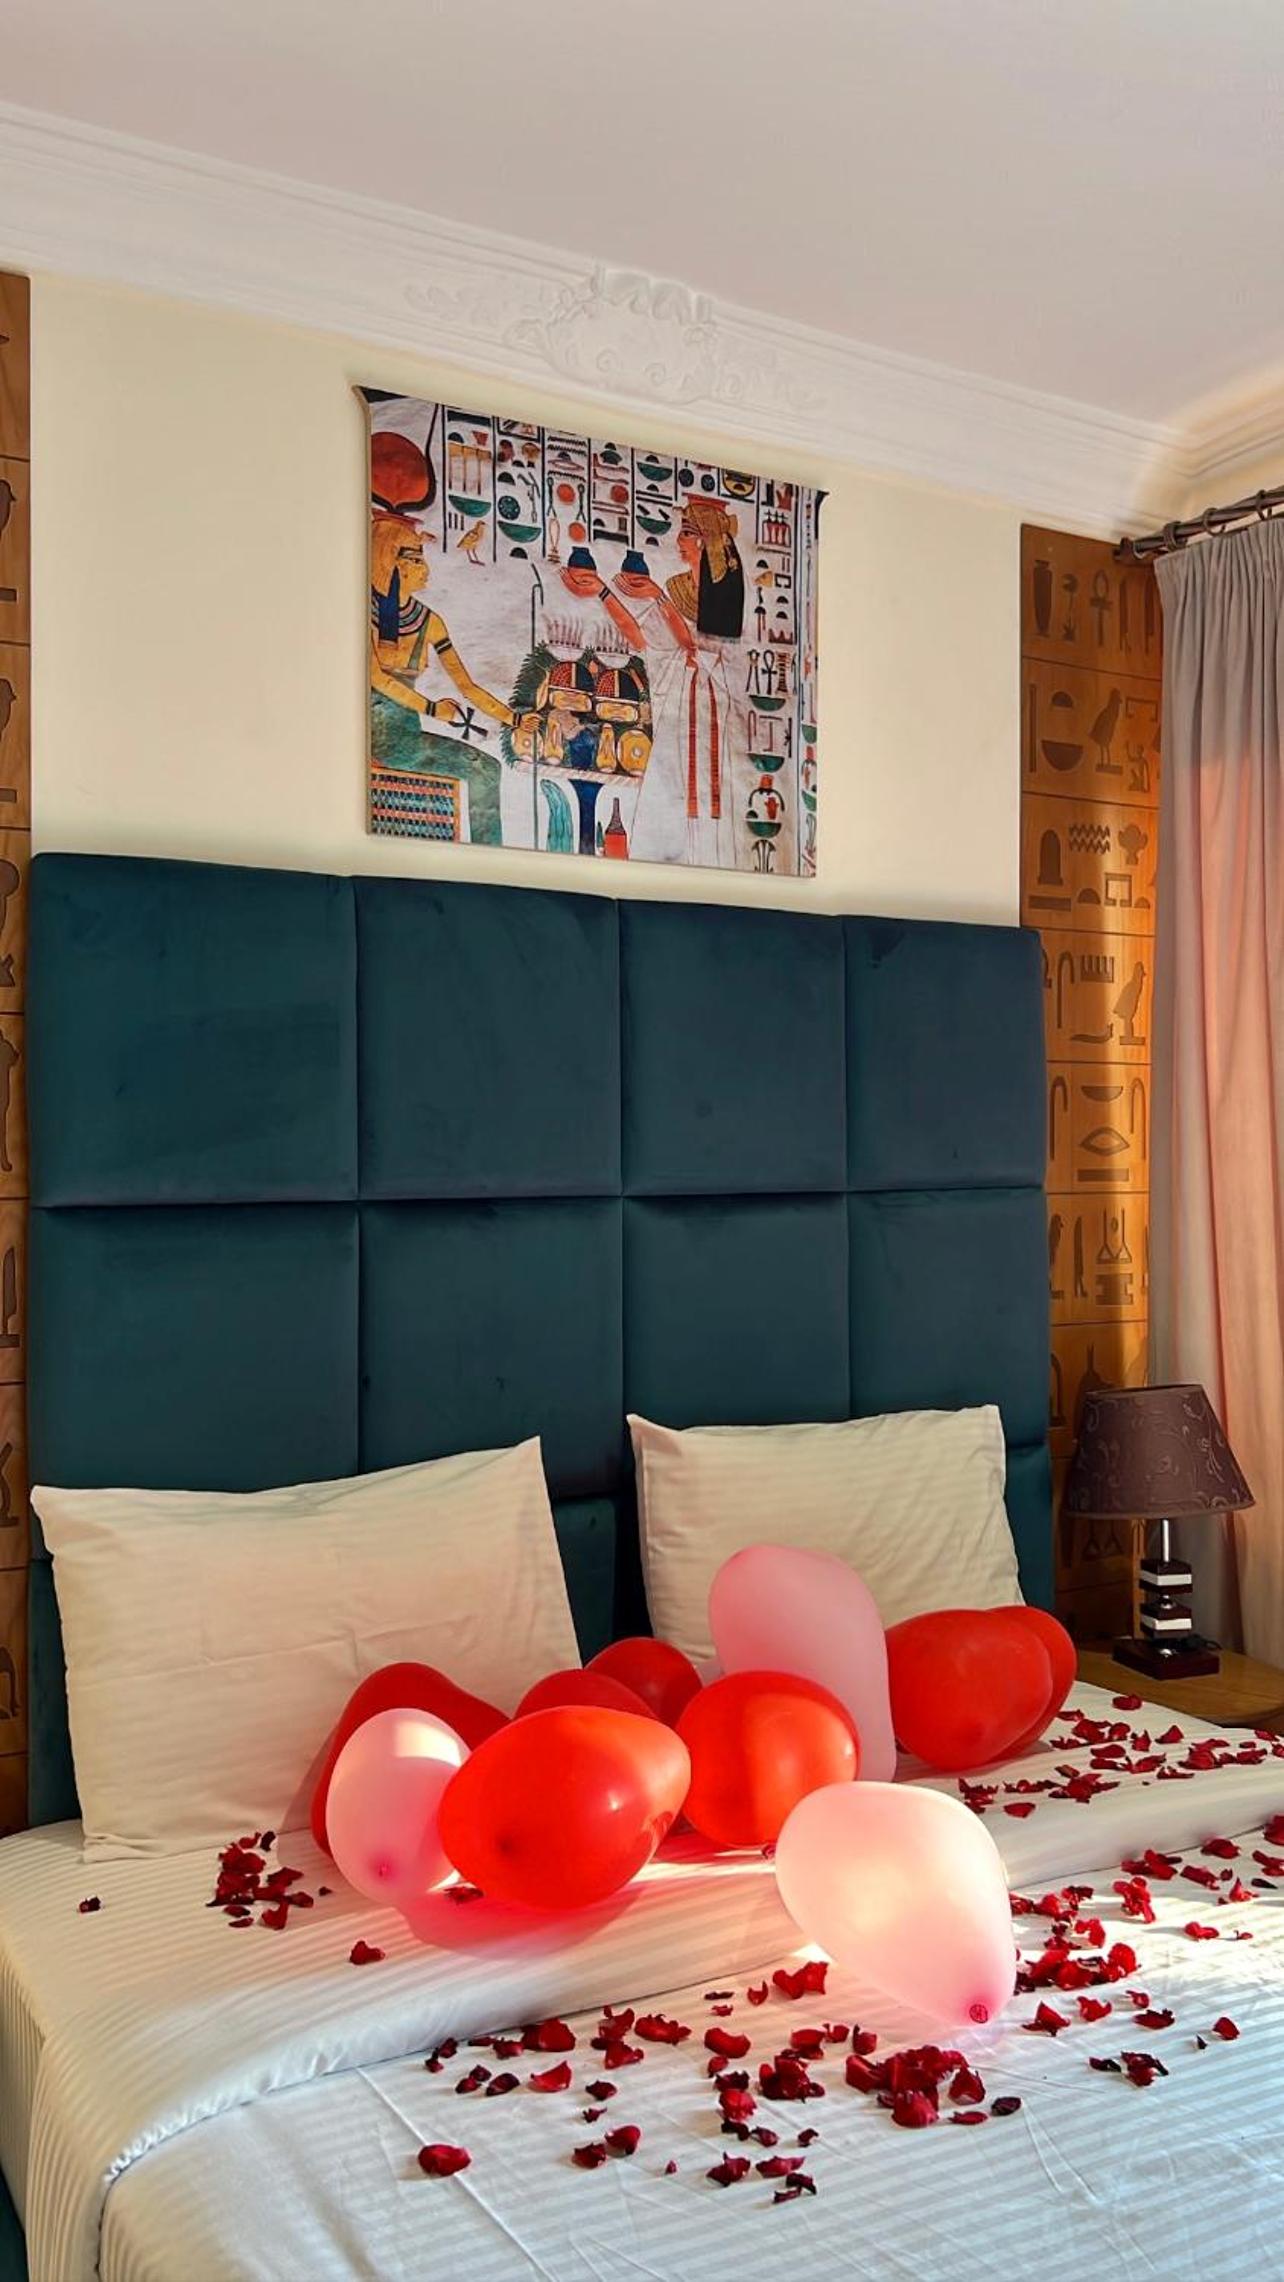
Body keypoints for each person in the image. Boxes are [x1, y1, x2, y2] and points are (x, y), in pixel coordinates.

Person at [613, 504, 745, 868]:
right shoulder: (677, 590)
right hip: (677, 705)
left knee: (703, 801)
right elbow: (641, 638)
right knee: (666, 791)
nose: (678, 541)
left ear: (705, 541)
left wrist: (658, 598)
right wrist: (605, 594)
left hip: (706, 709)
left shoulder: (724, 599)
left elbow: (698, 651)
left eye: (686, 533)